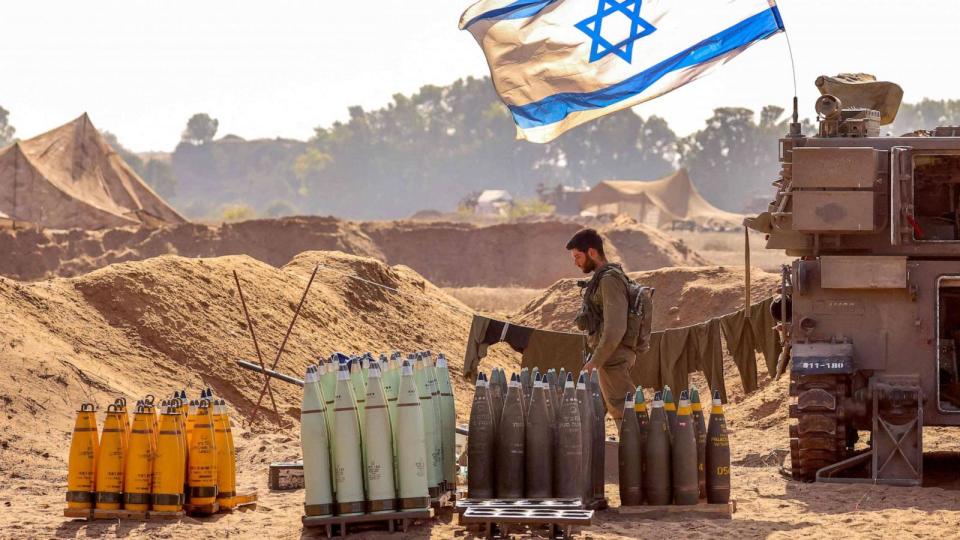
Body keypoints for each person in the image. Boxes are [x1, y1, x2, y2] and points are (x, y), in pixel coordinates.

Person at [566, 228, 637, 423]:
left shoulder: (609, 281)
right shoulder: (604, 278)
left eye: (578, 256)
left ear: (592, 252)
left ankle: (636, 454)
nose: (575, 262)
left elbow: (615, 328)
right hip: (610, 357)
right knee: (618, 411)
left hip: (614, 357)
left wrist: (594, 362)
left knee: (625, 413)